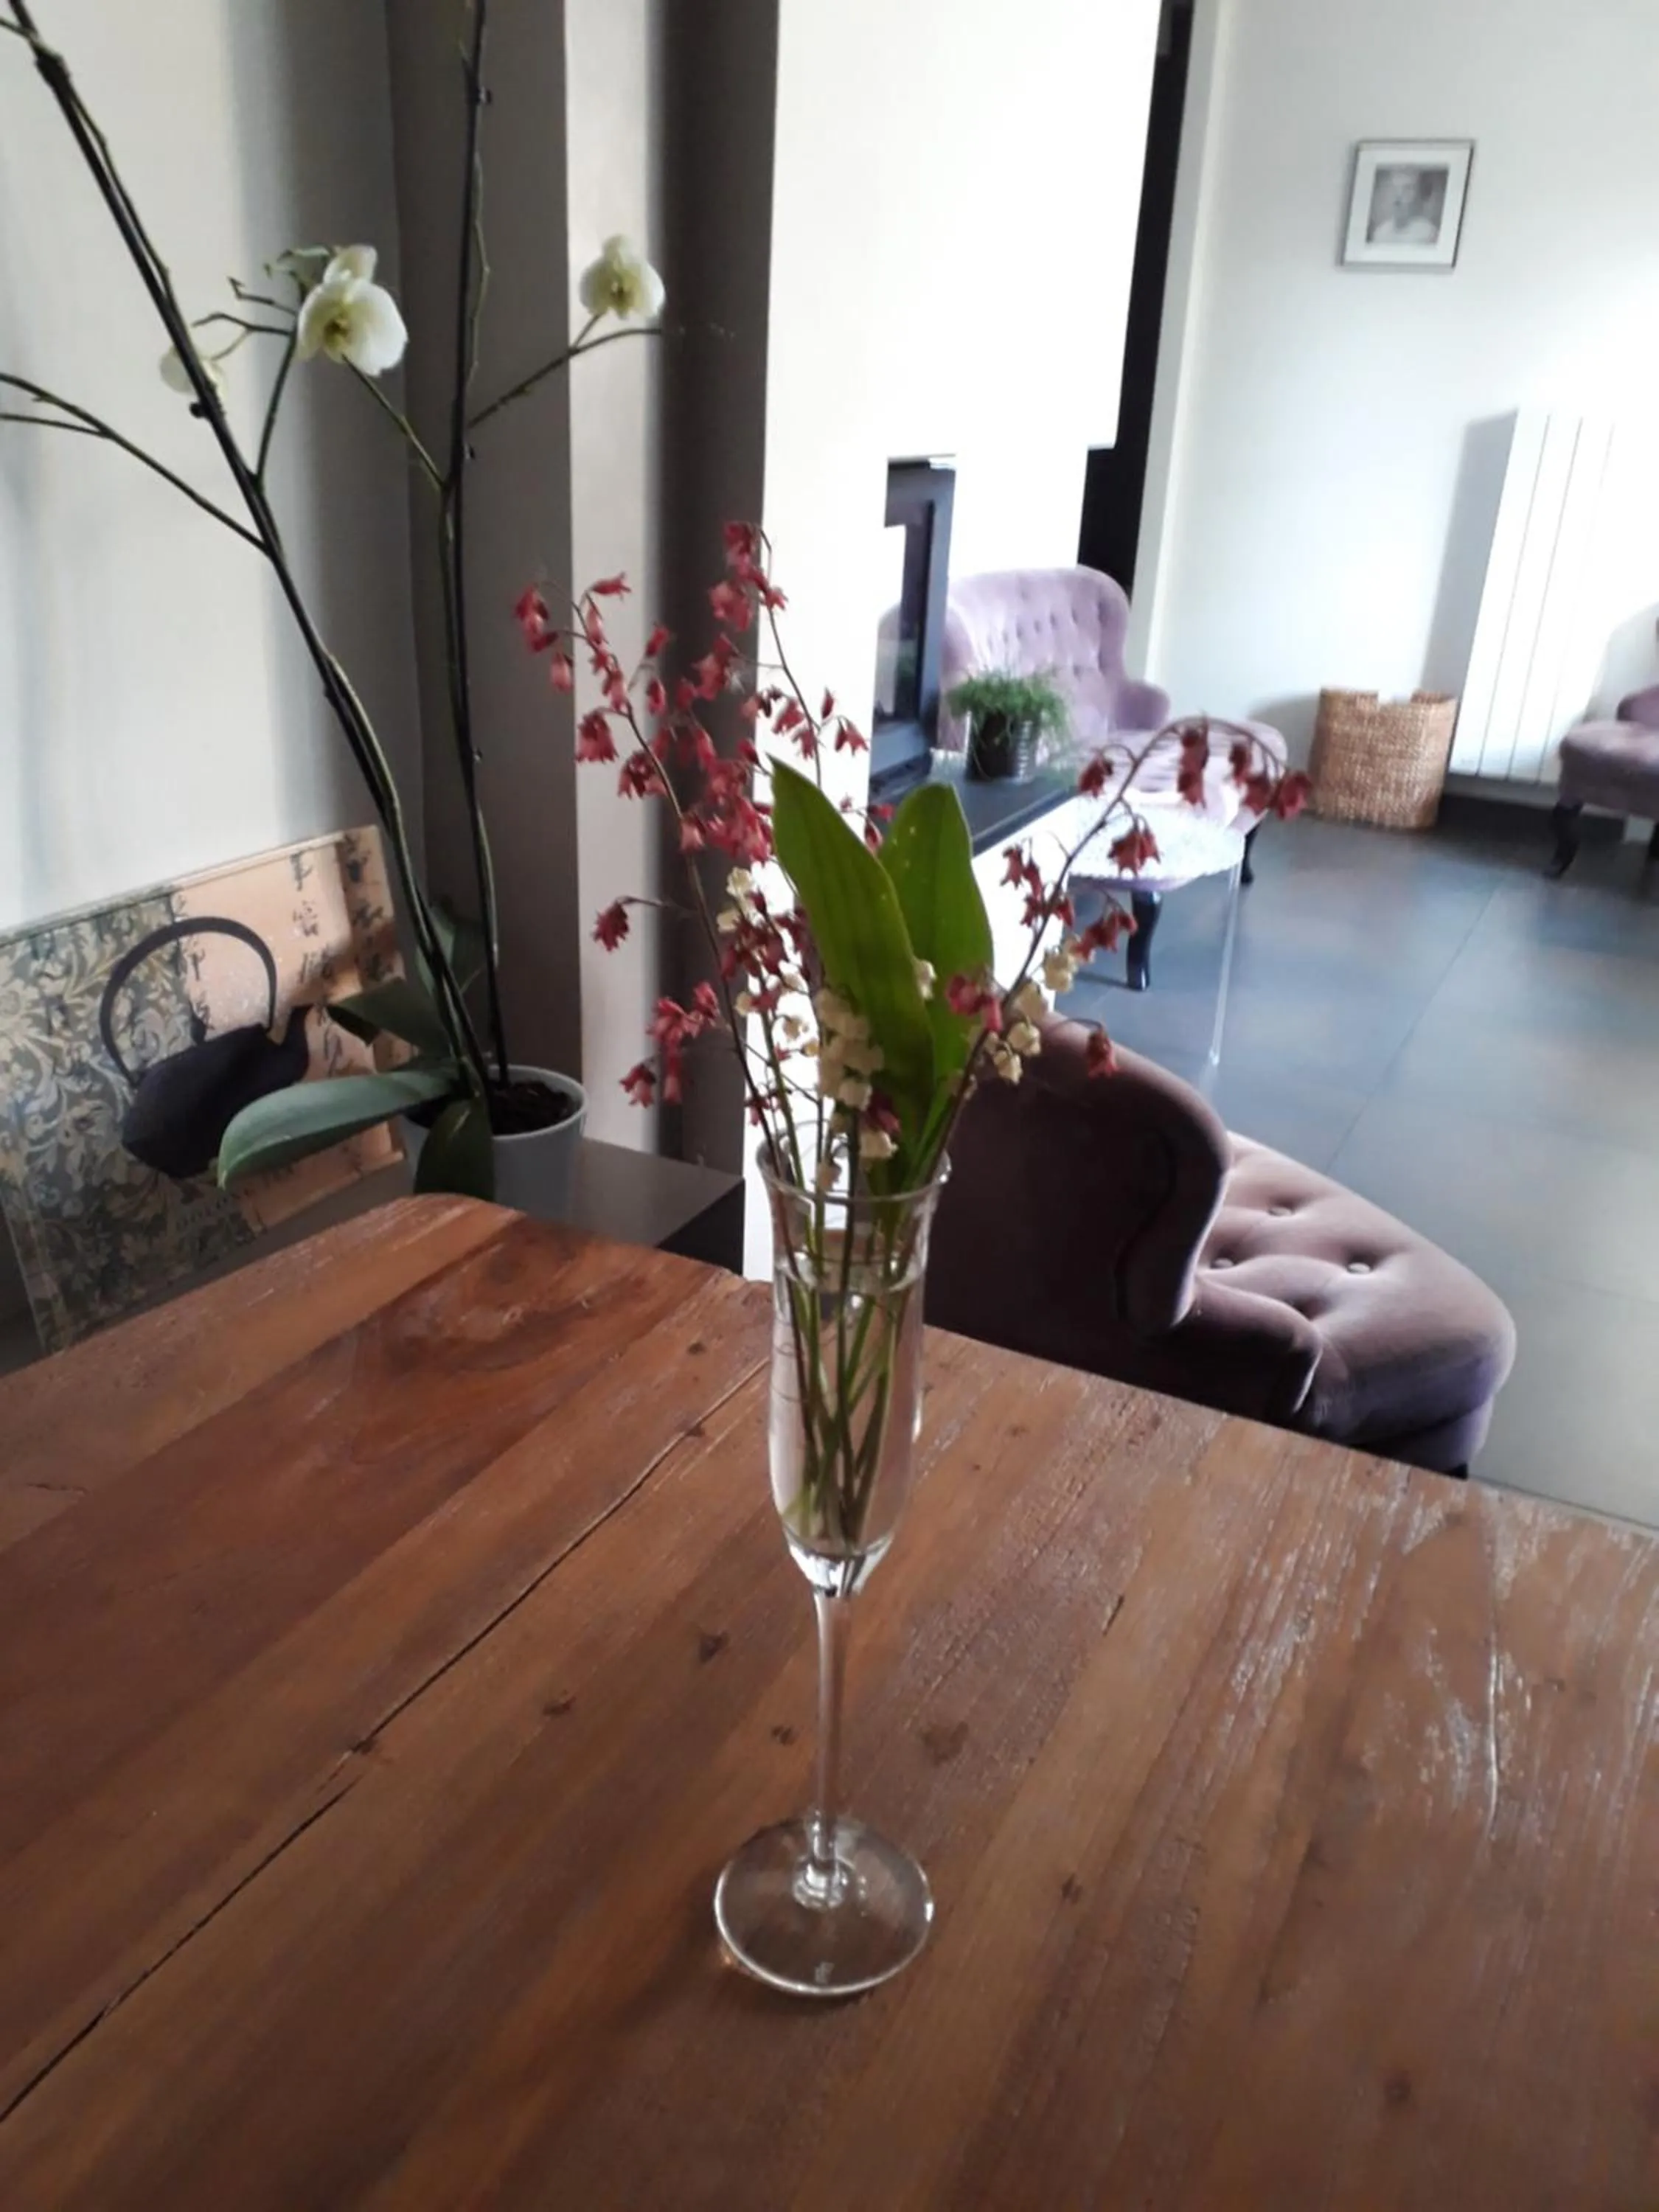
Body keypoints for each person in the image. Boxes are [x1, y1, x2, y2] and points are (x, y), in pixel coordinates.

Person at [1367, 166, 1442, 246]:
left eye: (1407, 190)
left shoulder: (1427, 234)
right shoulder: (1380, 233)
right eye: (1395, 188)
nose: (1398, 197)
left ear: (1420, 195)